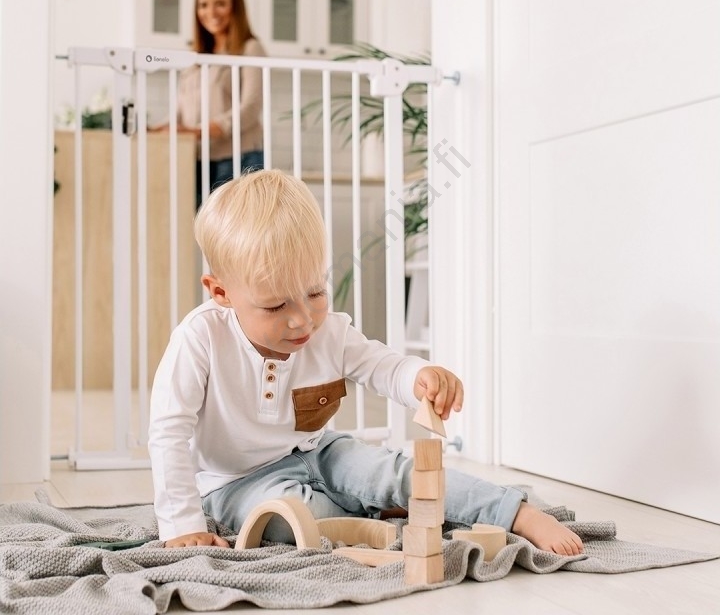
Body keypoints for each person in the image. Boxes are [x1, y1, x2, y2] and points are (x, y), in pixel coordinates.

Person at [148, 169, 585, 557]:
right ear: (221, 293)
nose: (302, 319)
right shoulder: (199, 339)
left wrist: (420, 376)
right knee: (297, 521)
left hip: (319, 452)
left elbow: (383, 366)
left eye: (316, 292)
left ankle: (514, 512)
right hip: (235, 481)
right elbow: (169, 432)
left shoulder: (329, 332)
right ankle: (378, 507)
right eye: (276, 305)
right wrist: (182, 524)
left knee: (397, 472)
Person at [151, 0, 266, 207]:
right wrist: (154, 130)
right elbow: (181, 112)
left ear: (235, 7)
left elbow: (251, 108)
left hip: (238, 158)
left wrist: (199, 131)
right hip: (196, 159)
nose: (210, 12)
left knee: (233, 229)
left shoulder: (250, 49)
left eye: (220, 4)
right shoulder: (194, 58)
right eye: (203, 5)